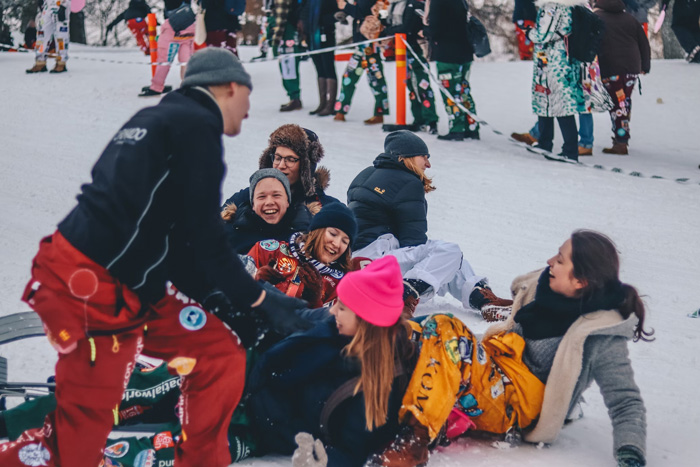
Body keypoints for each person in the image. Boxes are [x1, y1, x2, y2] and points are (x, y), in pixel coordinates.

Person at [0, 48, 310, 467]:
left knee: (218, 350)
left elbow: (174, 240)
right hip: (92, 288)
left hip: (124, 283)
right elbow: (204, 239)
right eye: (247, 98)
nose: (249, 110)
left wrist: (222, 305)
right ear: (229, 87)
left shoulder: (154, 120)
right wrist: (259, 300)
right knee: (79, 439)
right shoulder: (196, 126)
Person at [370, 229, 652, 466]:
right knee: (417, 333)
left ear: (581, 281)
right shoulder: (542, 292)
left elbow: (625, 400)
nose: (550, 261)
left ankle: (414, 443)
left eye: (561, 260)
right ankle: (368, 394)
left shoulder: (599, 331)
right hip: (495, 371)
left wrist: (631, 453)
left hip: (515, 404)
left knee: (446, 327)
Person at [246, 256, 420, 466]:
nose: (333, 310)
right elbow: (299, 315)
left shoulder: (374, 387)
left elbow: (350, 452)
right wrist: (253, 289)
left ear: (366, 321)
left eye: (343, 308)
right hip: (255, 380)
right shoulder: (339, 328)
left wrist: (319, 461)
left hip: (259, 423)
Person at [347, 130, 512, 321]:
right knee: (448, 252)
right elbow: (414, 241)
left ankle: (485, 300)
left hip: (357, 259)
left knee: (442, 262)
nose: (428, 164)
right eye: (423, 157)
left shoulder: (363, 175)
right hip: (378, 264)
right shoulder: (409, 182)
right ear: (405, 156)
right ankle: (404, 297)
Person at [246, 202, 359, 308]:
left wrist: (314, 302)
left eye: (345, 241)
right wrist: (258, 280)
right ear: (316, 230)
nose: (337, 244)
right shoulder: (270, 250)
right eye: (333, 234)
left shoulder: (338, 286)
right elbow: (234, 285)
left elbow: (331, 325)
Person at [222, 124, 340, 217]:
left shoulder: (326, 208)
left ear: (306, 166)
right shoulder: (246, 198)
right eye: (277, 158)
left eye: (290, 159)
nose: (281, 165)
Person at [527, 0, 585, 161]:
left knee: (559, 105)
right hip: (561, 60)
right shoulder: (569, 6)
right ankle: (546, 143)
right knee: (547, 101)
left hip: (553, 62)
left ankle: (569, 150)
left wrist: (529, 32)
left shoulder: (552, 6)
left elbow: (543, 34)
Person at [594, 0, 651, 155]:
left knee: (617, 106)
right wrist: (645, 66)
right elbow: (643, 43)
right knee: (623, 102)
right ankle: (621, 136)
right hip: (632, 68)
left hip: (610, 67)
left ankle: (621, 142)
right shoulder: (630, 19)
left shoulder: (596, 17)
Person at [425, 0, 480, 140]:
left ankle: (457, 128)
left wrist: (425, 30)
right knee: (464, 90)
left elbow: (436, 28)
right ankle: (471, 127)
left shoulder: (438, 2)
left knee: (450, 92)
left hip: (447, 54)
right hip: (465, 52)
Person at [382, 0, 439, 133]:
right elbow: (386, 23)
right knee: (411, 86)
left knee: (422, 84)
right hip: (401, 50)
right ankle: (418, 119)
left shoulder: (413, 4)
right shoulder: (393, 5)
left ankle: (431, 120)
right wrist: (382, 12)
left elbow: (406, 28)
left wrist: (388, 31)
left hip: (414, 49)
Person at [223, 168, 312, 253]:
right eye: (262, 197)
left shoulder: (308, 235)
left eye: (276, 195)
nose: (269, 202)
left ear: (287, 201)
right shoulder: (232, 235)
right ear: (253, 204)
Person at [333, 0, 391, 124]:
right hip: (361, 46)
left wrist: (345, 6)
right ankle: (341, 111)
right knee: (348, 78)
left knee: (376, 81)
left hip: (370, 46)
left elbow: (360, 12)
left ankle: (379, 113)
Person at [139, 0, 196, 97]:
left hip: (172, 27)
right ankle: (188, 86)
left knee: (164, 60)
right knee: (186, 60)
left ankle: (156, 87)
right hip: (190, 25)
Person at [301, 0, 340, 116]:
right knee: (320, 70)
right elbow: (303, 12)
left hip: (325, 35)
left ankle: (330, 104)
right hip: (312, 38)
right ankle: (322, 103)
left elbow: (336, 14)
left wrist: (322, 21)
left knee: (328, 69)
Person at [271, 0, 305, 111]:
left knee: (289, 67)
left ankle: (295, 98)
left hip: (286, 34)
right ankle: (293, 98)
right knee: (287, 67)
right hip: (288, 34)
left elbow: (281, 19)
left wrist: (275, 40)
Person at [26, 0, 71, 74]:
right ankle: (40, 62)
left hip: (61, 4)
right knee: (42, 34)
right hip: (47, 5)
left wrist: (64, 5)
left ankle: (61, 62)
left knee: (61, 36)